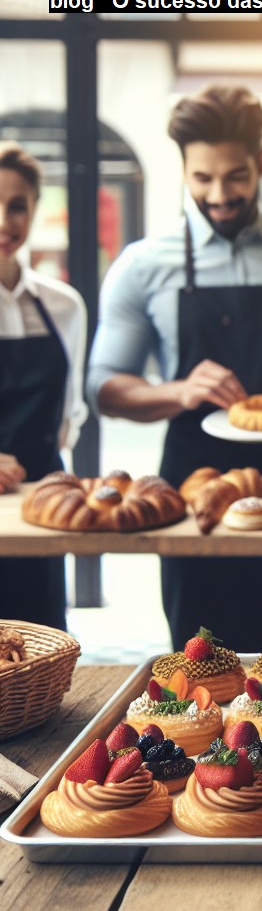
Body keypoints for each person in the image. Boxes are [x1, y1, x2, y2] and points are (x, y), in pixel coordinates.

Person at [87, 84, 262, 652]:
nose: (220, 194)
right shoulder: (143, 265)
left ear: (261, 163)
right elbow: (105, 387)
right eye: (203, 179)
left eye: (236, 176)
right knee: (203, 677)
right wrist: (179, 391)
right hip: (194, 497)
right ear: (184, 170)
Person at [0, 141, 87, 630]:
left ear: (35, 209)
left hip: (42, 509)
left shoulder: (64, 306)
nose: (4, 221)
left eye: (17, 206)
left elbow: (69, 416)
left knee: (43, 655)